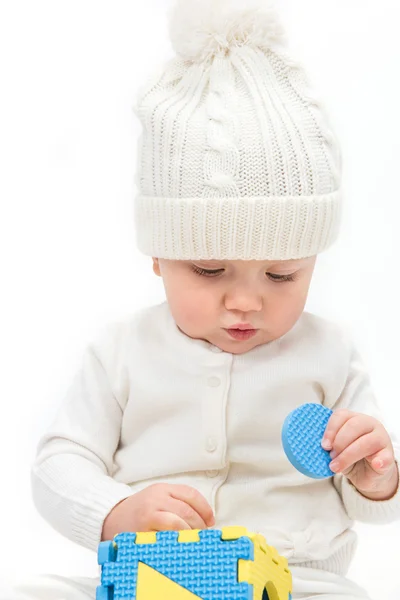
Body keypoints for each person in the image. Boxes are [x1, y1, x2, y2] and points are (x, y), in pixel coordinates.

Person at [3, 0, 399, 598]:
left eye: (283, 275)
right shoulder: (122, 351)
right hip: (150, 575)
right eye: (211, 270)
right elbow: (58, 464)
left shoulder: (330, 353)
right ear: (158, 256)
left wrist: (375, 477)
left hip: (295, 579)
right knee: (35, 589)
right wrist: (117, 512)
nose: (246, 301)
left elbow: (369, 499)